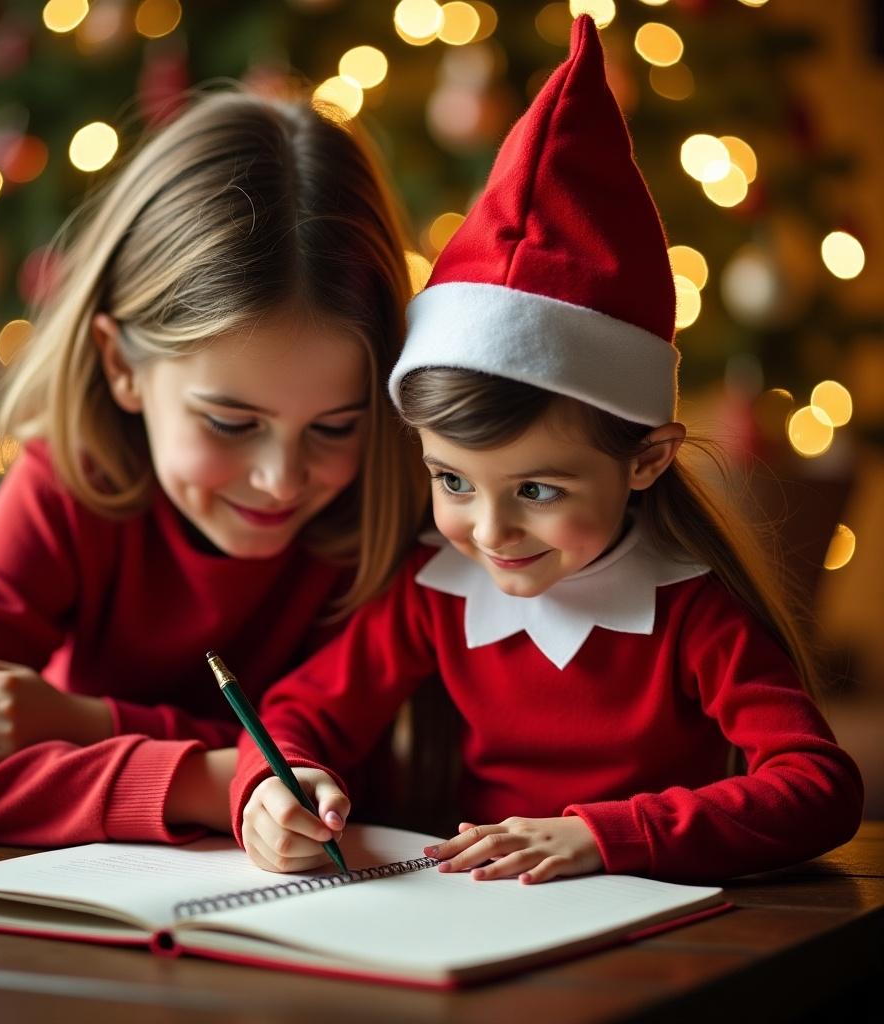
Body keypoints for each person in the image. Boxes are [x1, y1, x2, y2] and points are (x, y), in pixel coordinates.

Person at [230, 17, 864, 883]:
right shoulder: (434, 597)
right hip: (466, 916)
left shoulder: (691, 614)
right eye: (452, 479)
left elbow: (818, 787)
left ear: (645, 459)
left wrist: (602, 837)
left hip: (658, 931)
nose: (488, 531)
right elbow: (299, 712)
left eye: (536, 490)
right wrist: (278, 787)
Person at [0, 88, 426, 846]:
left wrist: (84, 724)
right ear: (120, 365)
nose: (281, 479)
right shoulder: (69, 485)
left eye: (336, 426)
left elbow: (354, 766)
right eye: (231, 423)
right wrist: (214, 781)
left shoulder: (398, 503)